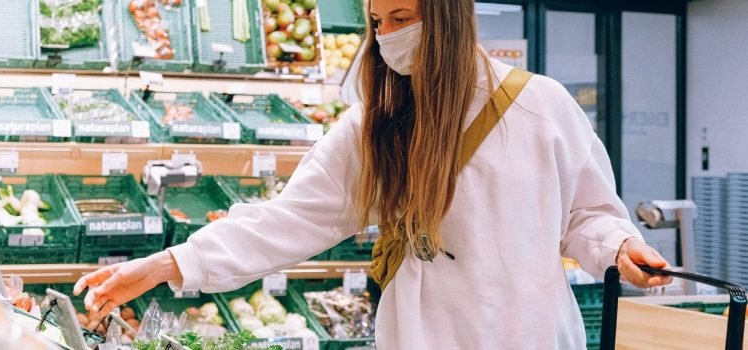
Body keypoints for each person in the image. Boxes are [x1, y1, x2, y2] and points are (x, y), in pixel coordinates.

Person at [74, 0, 674, 348]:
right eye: (377, 21)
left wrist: (619, 248)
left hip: (529, 335)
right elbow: (290, 218)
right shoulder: (376, 125)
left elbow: (587, 213)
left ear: (446, 16)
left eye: (401, 16)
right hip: (422, 336)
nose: (387, 36)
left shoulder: (540, 106)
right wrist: (163, 265)